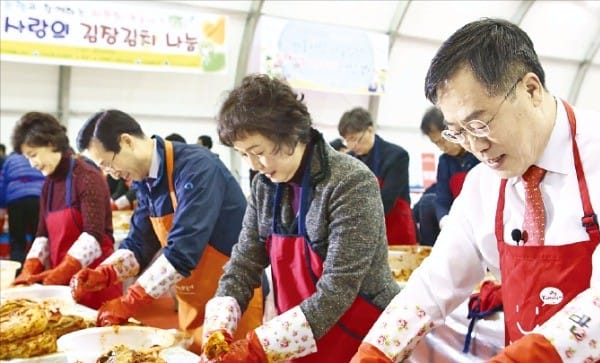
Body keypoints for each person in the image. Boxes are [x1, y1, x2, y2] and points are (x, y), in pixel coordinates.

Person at [351, 18, 600, 363]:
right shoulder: (484, 184)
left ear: (531, 89)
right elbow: (433, 284)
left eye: (481, 123)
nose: (476, 146)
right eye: (458, 132)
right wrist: (378, 350)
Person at [199, 74, 400, 362]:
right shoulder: (264, 187)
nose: (254, 165)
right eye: (243, 155)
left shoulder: (350, 182)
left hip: (357, 335)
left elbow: (337, 289)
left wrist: (255, 348)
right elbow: (244, 263)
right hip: (297, 335)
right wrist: (220, 324)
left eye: (259, 152)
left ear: (290, 133)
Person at [71, 109, 262, 354]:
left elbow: (183, 249)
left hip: (233, 299)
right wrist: (105, 273)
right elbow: (139, 243)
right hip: (192, 300)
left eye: (108, 164)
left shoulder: (197, 167)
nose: (111, 173)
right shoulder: (144, 181)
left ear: (126, 141)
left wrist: (130, 301)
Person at [10, 112, 122, 309]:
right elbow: (42, 235)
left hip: (95, 282)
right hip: (63, 287)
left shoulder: (87, 177)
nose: (32, 164)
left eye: (33, 155)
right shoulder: (48, 186)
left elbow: (94, 234)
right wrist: (29, 269)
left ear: (51, 143)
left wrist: (65, 269)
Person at [338, 107, 417, 245]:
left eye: (355, 139)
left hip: (394, 227)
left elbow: (387, 199)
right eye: (347, 141)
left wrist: (359, 220)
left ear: (370, 130)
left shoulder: (396, 156)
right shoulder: (348, 160)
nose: (352, 145)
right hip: (362, 231)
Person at [418, 106, 479, 243]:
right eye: (436, 144)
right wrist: (444, 220)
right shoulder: (445, 161)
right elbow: (442, 198)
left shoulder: (479, 153)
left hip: (479, 217)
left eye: (442, 141)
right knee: (427, 202)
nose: (442, 148)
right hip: (455, 220)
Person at [0, 151, 46, 265]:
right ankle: (36, 274)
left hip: (16, 201)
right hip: (38, 199)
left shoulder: (10, 159)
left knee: (17, 240)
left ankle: (17, 273)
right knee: (39, 239)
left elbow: (2, 183)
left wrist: (2, 206)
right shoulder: (40, 155)